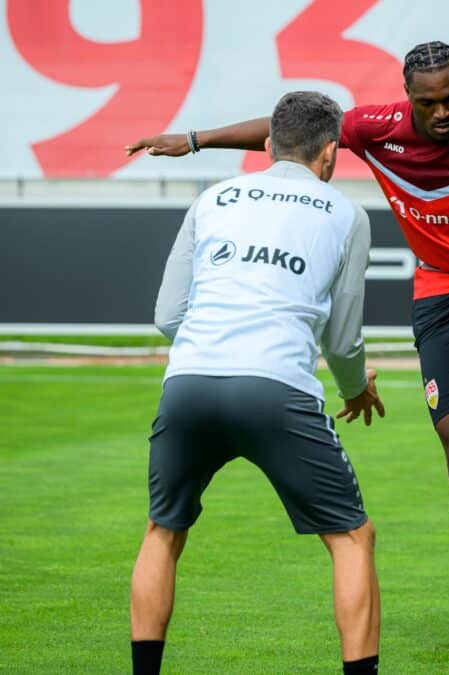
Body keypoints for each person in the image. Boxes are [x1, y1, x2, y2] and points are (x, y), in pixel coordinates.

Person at [125, 41, 449, 666]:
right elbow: (284, 131)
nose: (442, 113)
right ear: (409, 97)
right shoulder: (374, 129)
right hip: (442, 298)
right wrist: (194, 140)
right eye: (429, 102)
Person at [129, 91, 386, 675]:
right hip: (276, 390)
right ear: (330, 154)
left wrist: (214, 344)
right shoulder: (347, 214)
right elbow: (343, 340)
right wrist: (354, 388)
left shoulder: (213, 198)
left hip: (189, 381)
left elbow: (168, 316)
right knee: (351, 538)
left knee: (163, 529)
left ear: (268, 147)